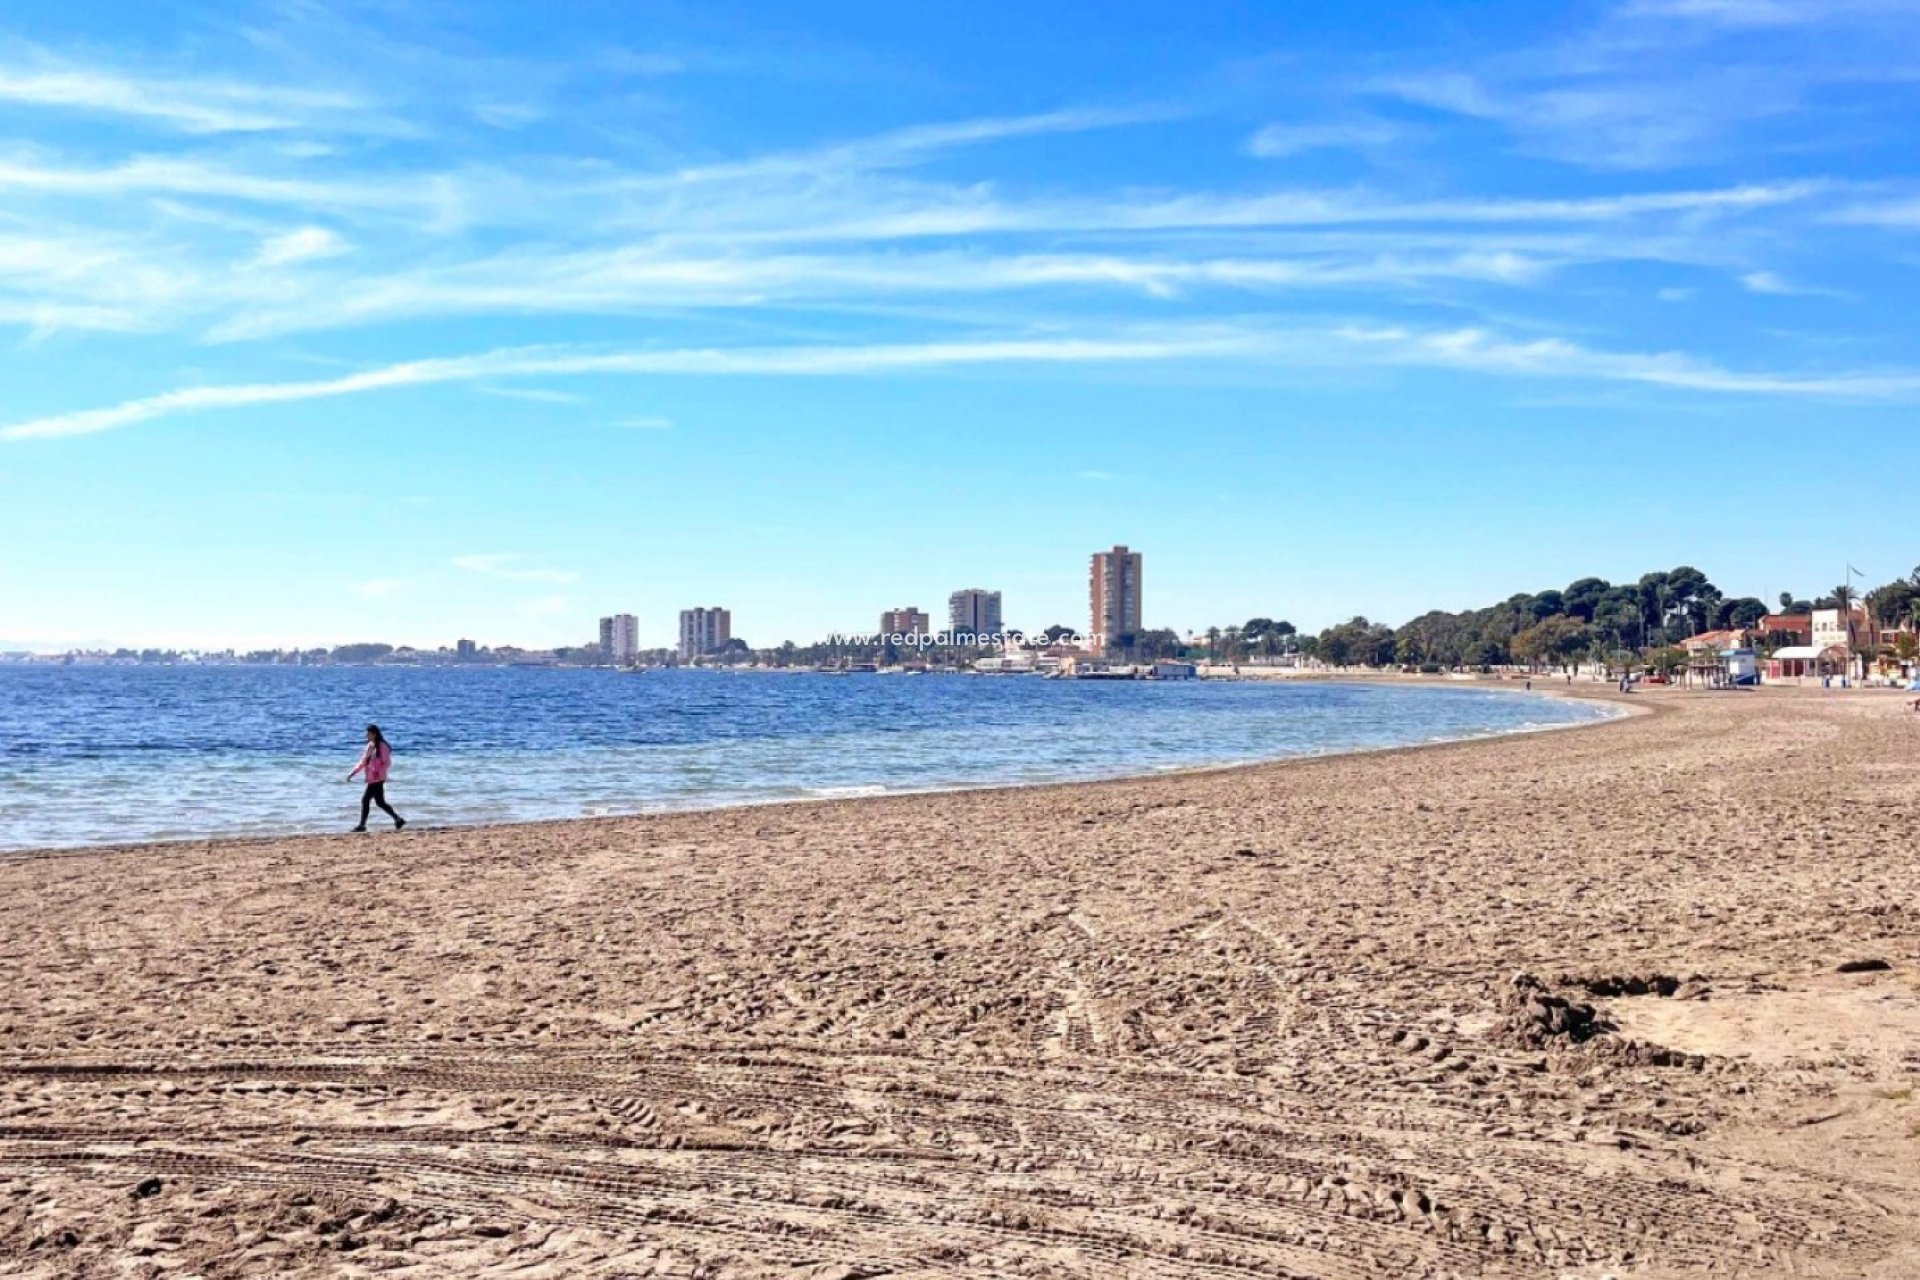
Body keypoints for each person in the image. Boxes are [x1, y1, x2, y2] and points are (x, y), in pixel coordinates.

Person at [347, 723, 406, 833]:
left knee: (365, 800)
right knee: (380, 802)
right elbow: (364, 762)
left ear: (374, 734)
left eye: (368, 733)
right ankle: (398, 820)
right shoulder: (370, 745)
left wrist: (378, 773)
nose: (366, 735)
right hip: (372, 779)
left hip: (378, 779)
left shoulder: (383, 746)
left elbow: (387, 763)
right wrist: (353, 773)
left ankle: (362, 825)